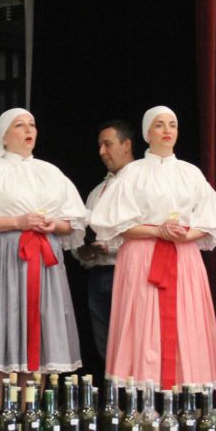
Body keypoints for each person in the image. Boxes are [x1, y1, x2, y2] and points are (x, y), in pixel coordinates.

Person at [90, 106, 216, 388]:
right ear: (147, 133)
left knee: (184, 322)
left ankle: (181, 393)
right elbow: (114, 223)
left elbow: (213, 219)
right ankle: (143, 396)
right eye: (159, 125)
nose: (167, 130)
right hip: (143, 256)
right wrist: (157, 230)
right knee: (144, 322)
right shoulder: (132, 173)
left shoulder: (190, 173)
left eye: (172, 124)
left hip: (183, 256)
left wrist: (185, 235)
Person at [0, 109, 88, 373]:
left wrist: (53, 224)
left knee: (42, 331)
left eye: (32, 124)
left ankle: (35, 398)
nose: (28, 130)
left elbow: (73, 223)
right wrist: (17, 222)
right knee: (4, 325)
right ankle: (4, 398)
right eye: (19, 125)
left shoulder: (50, 171)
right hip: (5, 255)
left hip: (43, 258)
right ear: (4, 136)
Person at [73, 120, 135, 366]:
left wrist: (115, 246)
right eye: (100, 145)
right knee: (106, 347)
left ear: (126, 145)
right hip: (99, 274)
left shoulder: (142, 183)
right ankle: (113, 390)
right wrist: (85, 250)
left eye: (107, 144)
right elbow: (81, 234)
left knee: (133, 343)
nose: (101, 151)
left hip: (130, 272)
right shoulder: (97, 191)